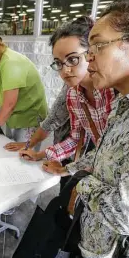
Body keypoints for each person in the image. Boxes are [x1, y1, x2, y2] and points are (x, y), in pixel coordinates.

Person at [46, 0, 129, 258]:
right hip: (96, 239)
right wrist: (70, 169)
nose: (88, 56)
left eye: (98, 45)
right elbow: (107, 154)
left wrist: (82, 185)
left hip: (116, 253)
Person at [18, 17, 115, 172]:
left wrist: (65, 170)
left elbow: (112, 151)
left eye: (73, 59)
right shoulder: (73, 95)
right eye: (58, 63)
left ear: (91, 54)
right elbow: (75, 139)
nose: (65, 70)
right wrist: (40, 155)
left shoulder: (114, 92)